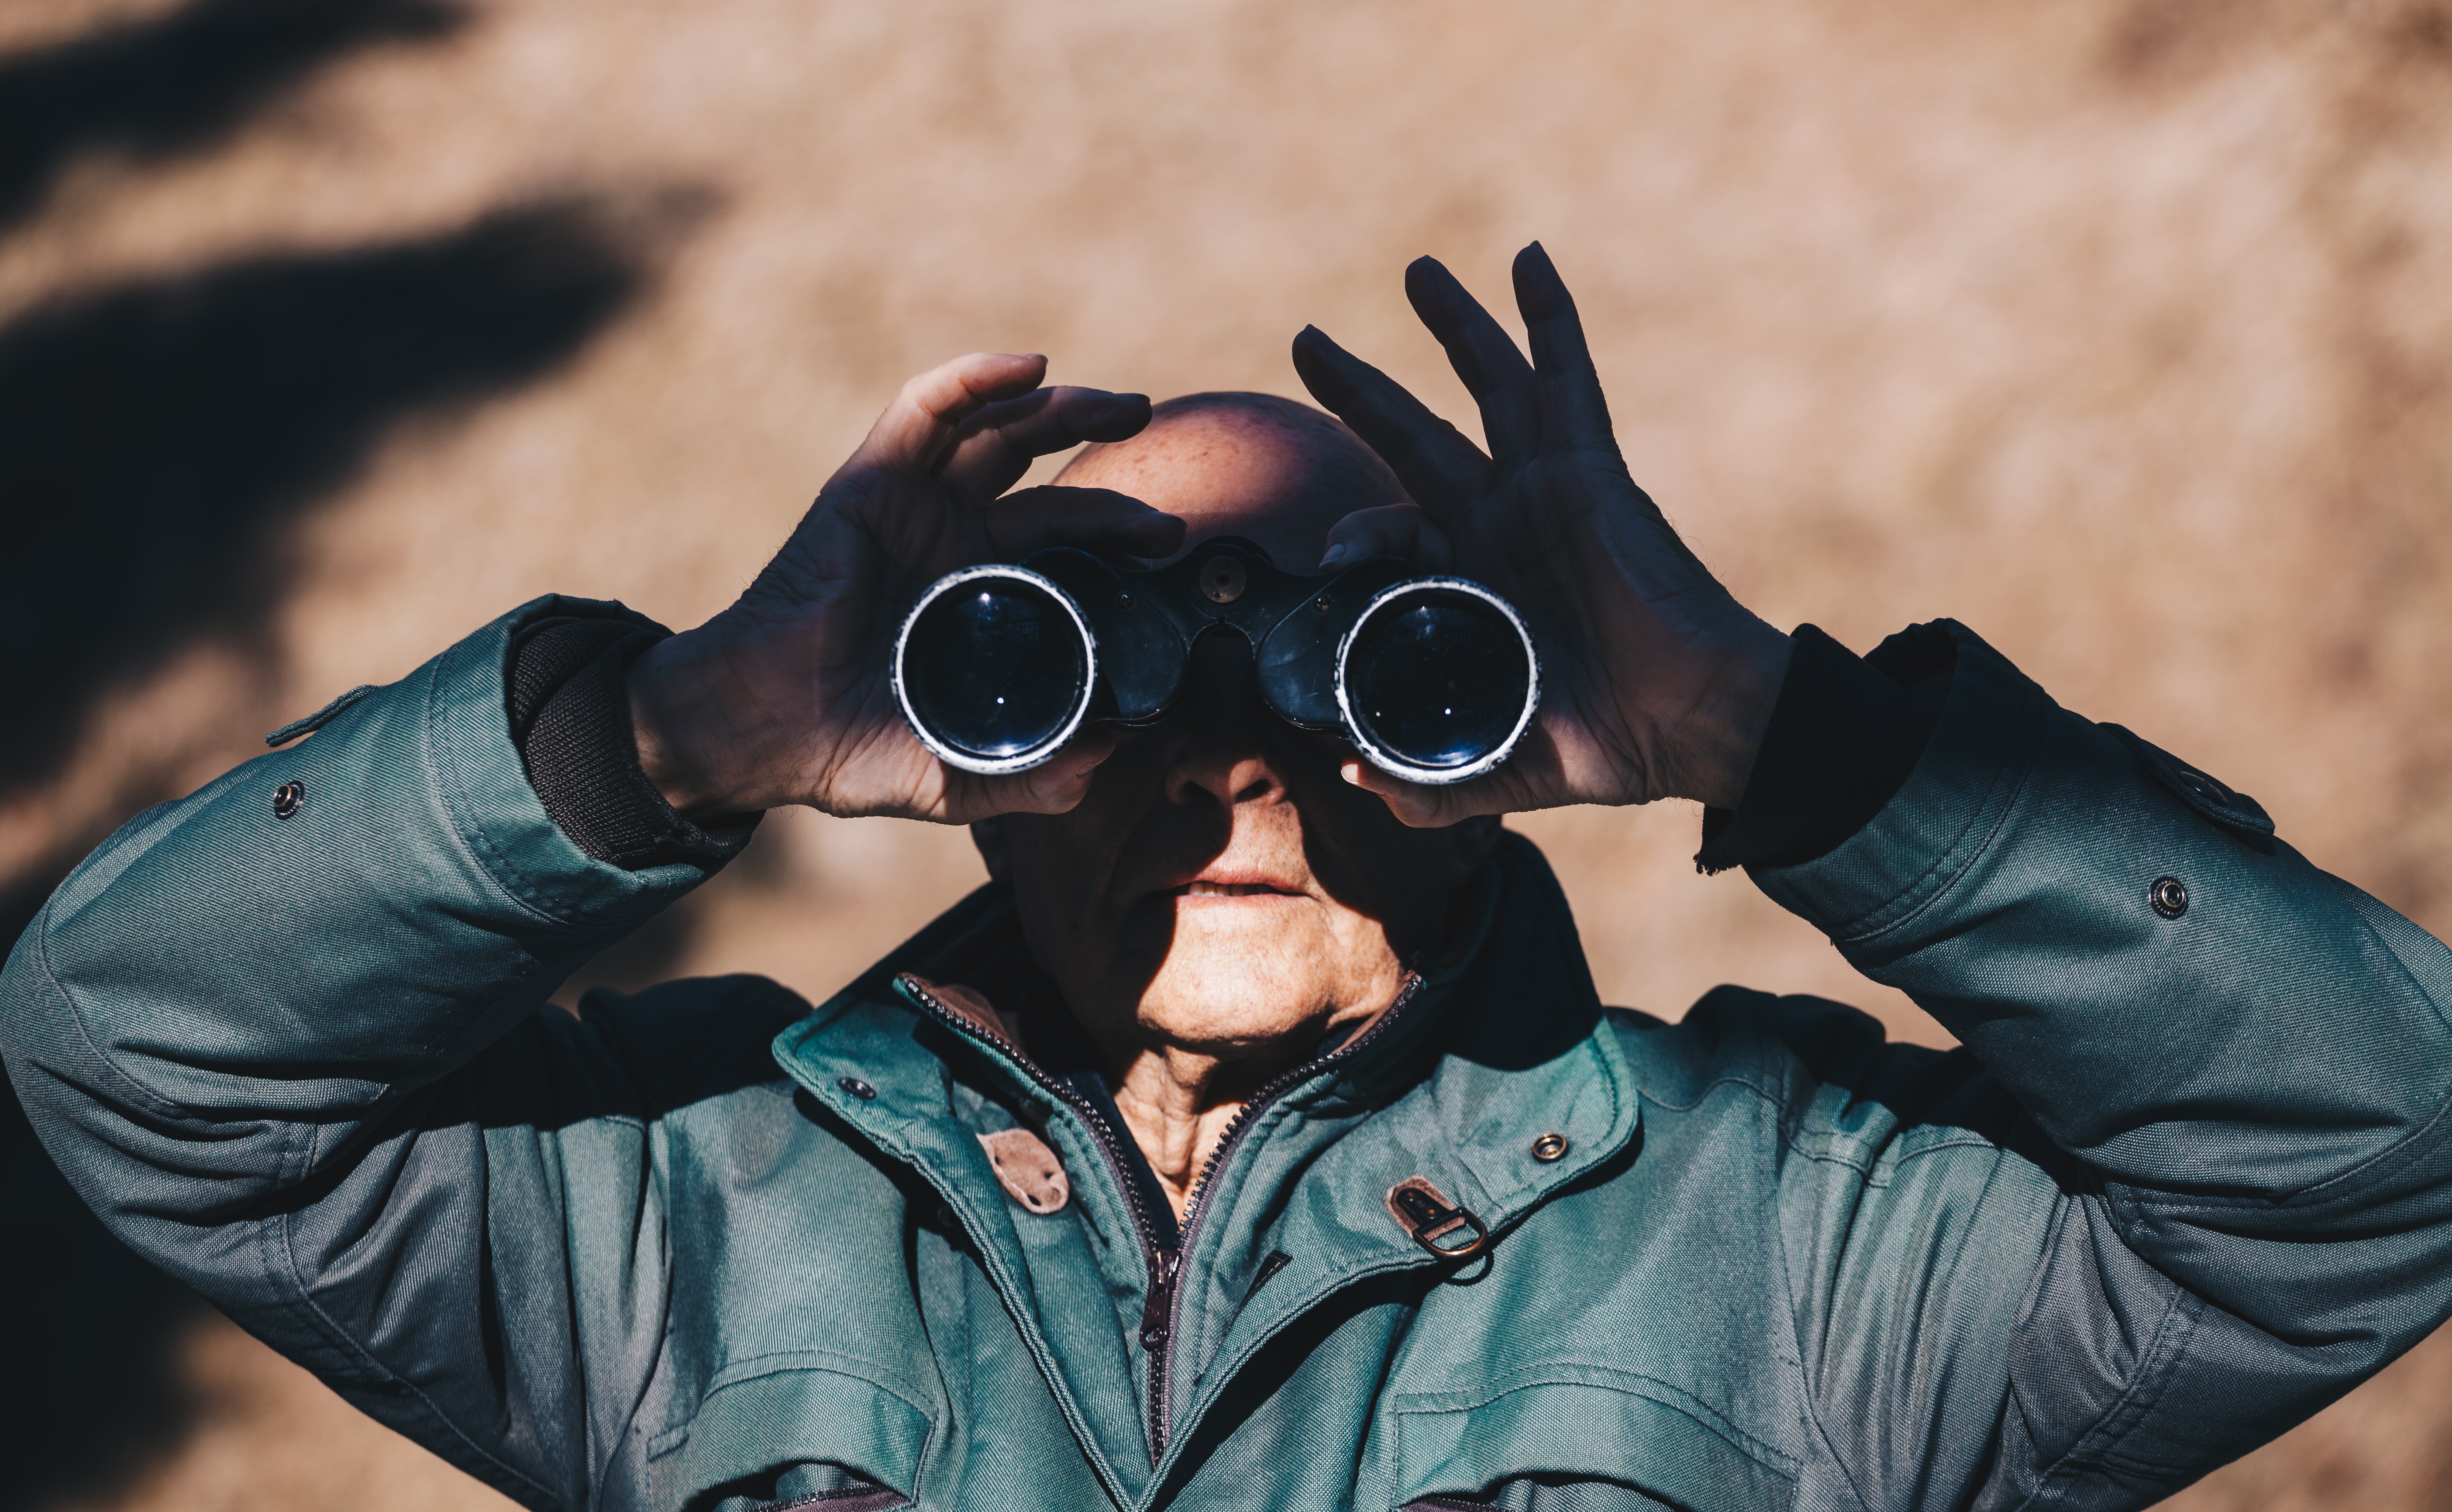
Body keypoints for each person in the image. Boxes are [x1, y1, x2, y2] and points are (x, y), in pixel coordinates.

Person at [7, 247, 2451, 1512]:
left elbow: (2367, 1157)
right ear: (971, 749)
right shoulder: (701, 1211)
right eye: (1087, 678)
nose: (1241, 772)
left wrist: (1770, 734)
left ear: (1487, 732)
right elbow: (142, 1050)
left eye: (1377, 669)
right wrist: (683, 734)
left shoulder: (1791, 1249)